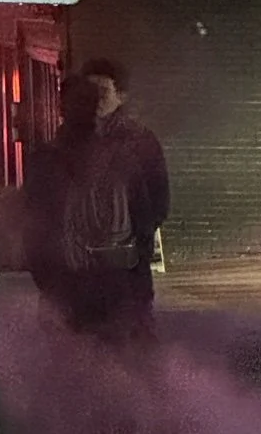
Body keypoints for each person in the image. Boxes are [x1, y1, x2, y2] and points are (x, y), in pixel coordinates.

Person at [26, 65, 167, 342]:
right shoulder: (49, 160)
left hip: (112, 281)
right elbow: (36, 227)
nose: (91, 108)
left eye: (94, 99)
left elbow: (151, 213)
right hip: (79, 282)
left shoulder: (129, 152)